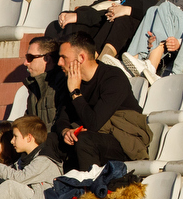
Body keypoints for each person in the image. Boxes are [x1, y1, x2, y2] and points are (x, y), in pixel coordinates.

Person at [48, 35, 150, 169]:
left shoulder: (113, 78)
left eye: (64, 57)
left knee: (84, 140)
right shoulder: (71, 80)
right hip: (92, 138)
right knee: (50, 139)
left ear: (81, 58)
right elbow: (62, 118)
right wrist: (66, 132)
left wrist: (75, 93)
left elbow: (94, 123)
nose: (59, 62)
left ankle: (90, 188)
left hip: (123, 141)